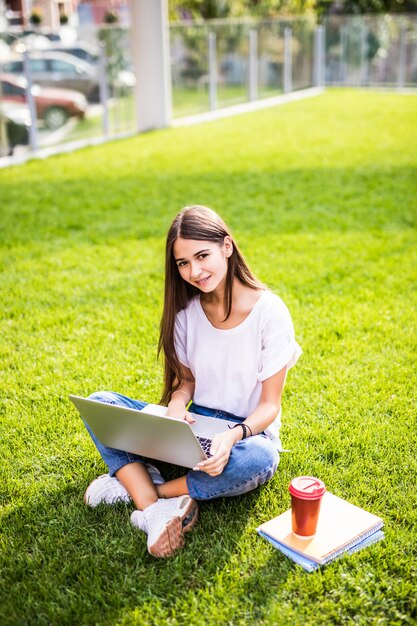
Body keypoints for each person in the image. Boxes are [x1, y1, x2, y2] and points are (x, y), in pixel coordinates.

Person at [83, 205, 302, 558]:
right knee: (102, 403)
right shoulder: (187, 313)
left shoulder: (270, 312)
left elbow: (269, 405)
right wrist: (175, 404)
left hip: (246, 435)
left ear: (227, 247)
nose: (194, 271)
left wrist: (233, 436)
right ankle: (154, 505)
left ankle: (151, 492)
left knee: (259, 459)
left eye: (202, 256)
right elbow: (185, 383)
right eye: (183, 263)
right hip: (192, 427)